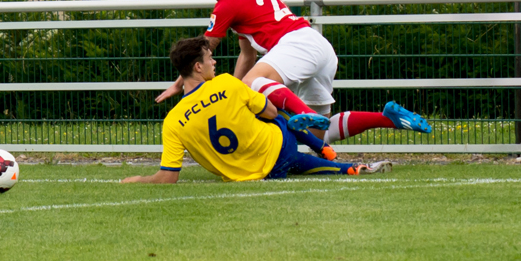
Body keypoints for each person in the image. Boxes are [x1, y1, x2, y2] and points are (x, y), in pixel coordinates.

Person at [155, 0, 432, 145]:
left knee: (254, 84)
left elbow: (202, 51)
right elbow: (248, 55)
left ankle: (301, 111)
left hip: (295, 45)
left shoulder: (225, 4)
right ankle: (388, 119)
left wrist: (180, 84)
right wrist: (233, 92)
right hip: (318, 47)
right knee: (318, 134)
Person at [122, 37, 392, 184]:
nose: (214, 61)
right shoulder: (227, 82)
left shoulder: (172, 121)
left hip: (258, 174)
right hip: (280, 146)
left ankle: (346, 167)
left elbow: (168, 177)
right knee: (275, 107)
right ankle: (326, 150)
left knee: (299, 165)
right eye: (209, 58)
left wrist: (137, 180)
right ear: (198, 67)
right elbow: (272, 114)